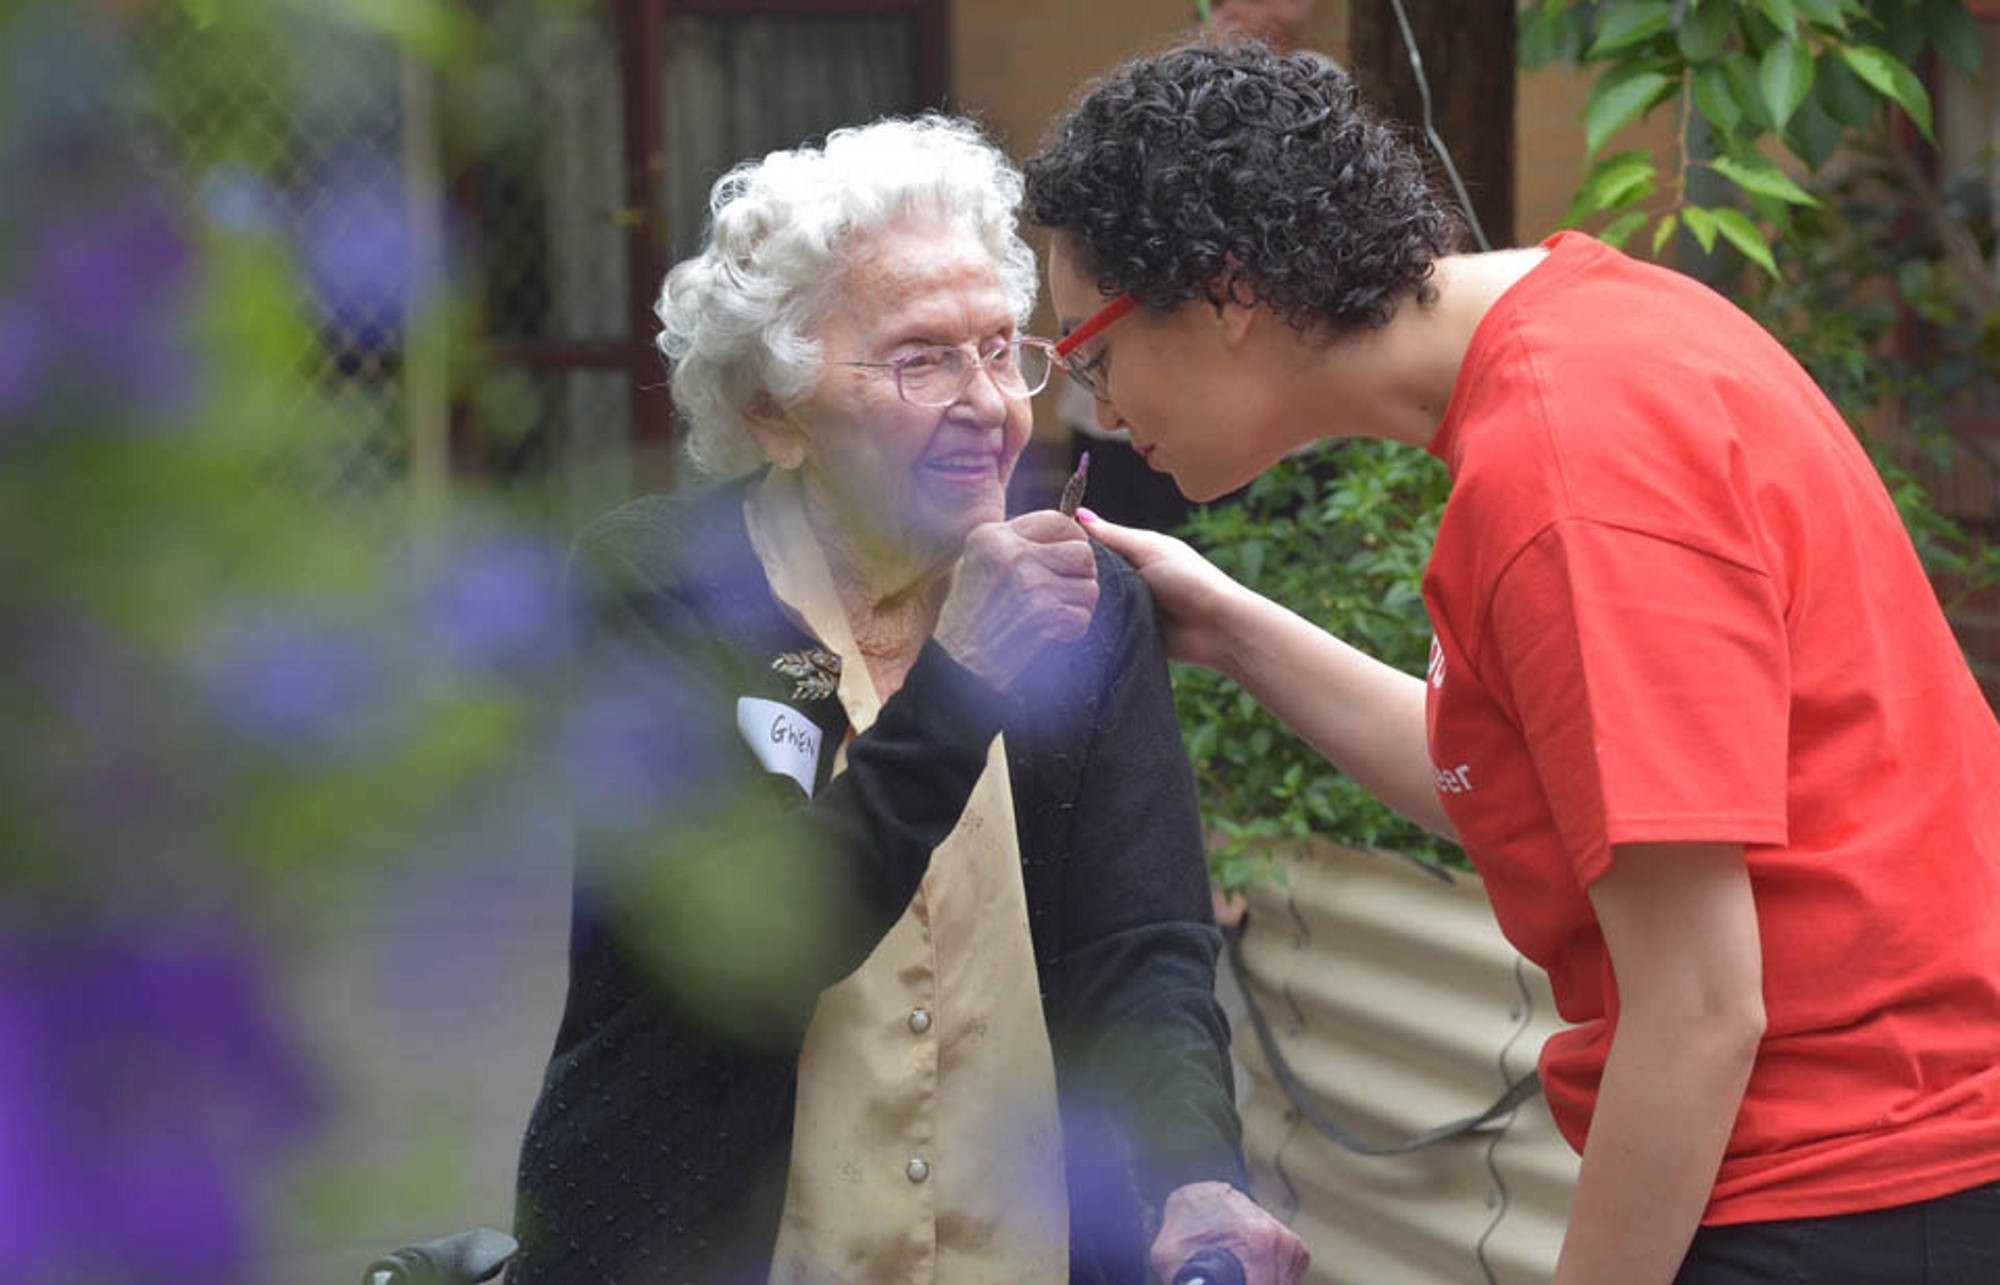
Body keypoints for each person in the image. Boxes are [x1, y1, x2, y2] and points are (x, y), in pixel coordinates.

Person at [1023, 41, 2000, 1285]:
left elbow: (1698, 1013)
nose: (1095, 408)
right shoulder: (1593, 331)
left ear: (1223, 291)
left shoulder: (1569, 471)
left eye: (1087, 349)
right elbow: (1532, 786)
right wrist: (1220, 624)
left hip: (1851, 1184)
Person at [508, 115, 1309, 1285]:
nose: (986, 403)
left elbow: (1139, 947)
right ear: (773, 413)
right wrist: (961, 685)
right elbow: (736, 958)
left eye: (999, 349)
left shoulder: (1081, 606)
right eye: (920, 359)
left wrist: (1190, 1170)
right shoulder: (658, 591)